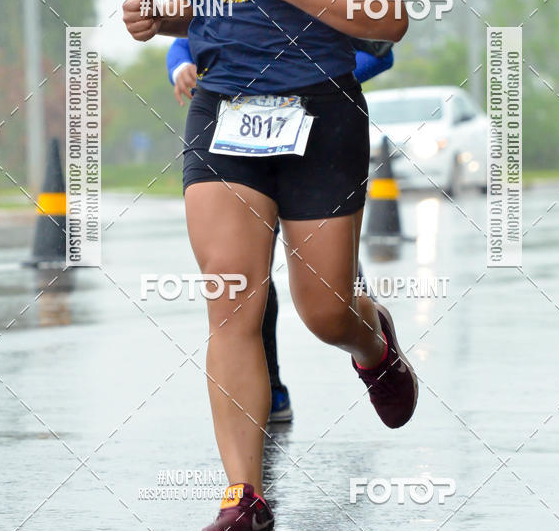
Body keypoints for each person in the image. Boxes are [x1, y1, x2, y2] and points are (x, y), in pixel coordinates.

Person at [123, 0, 417, 531]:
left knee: (323, 311)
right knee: (232, 303)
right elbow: (215, 1)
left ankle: (374, 341)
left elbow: (388, 15)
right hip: (225, 117)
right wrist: (163, 18)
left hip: (319, 113)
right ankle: (243, 497)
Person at [166, 37, 394, 424]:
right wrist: (181, 68)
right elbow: (183, 40)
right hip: (242, 142)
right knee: (244, 283)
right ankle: (271, 389)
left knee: (328, 288)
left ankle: (371, 336)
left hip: (315, 132)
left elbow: (380, 50)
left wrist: (312, 76)